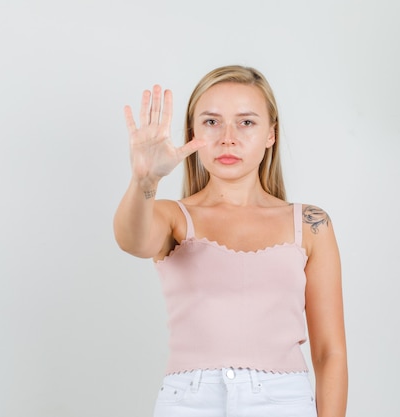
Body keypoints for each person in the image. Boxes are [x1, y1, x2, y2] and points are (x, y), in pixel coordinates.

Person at [114, 65, 347, 417]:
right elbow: (131, 240)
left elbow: (330, 352)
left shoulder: (310, 224)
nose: (228, 138)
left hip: (283, 402)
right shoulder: (173, 217)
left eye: (246, 122)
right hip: (189, 402)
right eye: (211, 122)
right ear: (193, 131)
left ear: (271, 133)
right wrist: (143, 181)